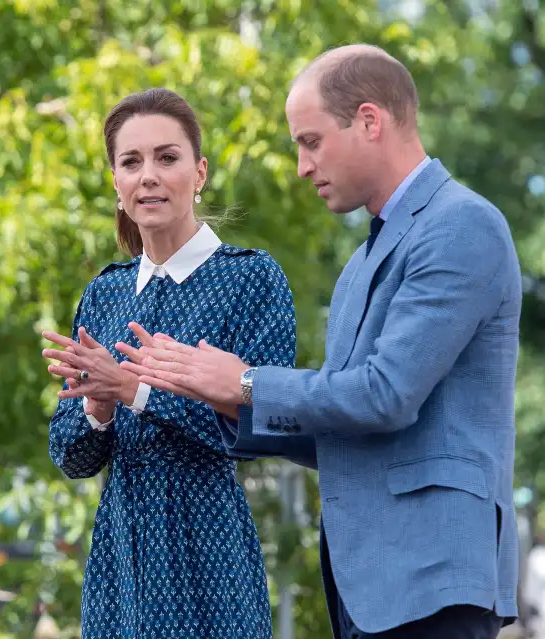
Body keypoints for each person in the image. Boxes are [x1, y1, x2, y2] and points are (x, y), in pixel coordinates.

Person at [121, 45, 522, 639]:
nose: (302, 166)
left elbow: (384, 396)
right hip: (365, 587)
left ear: (368, 120)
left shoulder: (461, 224)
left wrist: (248, 381)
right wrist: (220, 395)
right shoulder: (362, 261)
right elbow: (344, 421)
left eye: (310, 142)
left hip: (432, 580)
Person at [41, 88, 296, 638]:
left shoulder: (251, 279)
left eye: (167, 157)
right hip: (120, 558)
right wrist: (99, 408)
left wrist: (138, 392)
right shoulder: (104, 293)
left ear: (199, 172)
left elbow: (270, 427)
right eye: (131, 162)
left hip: (210, 548)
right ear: (115, 182)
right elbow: (71, 455)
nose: (148, 175)